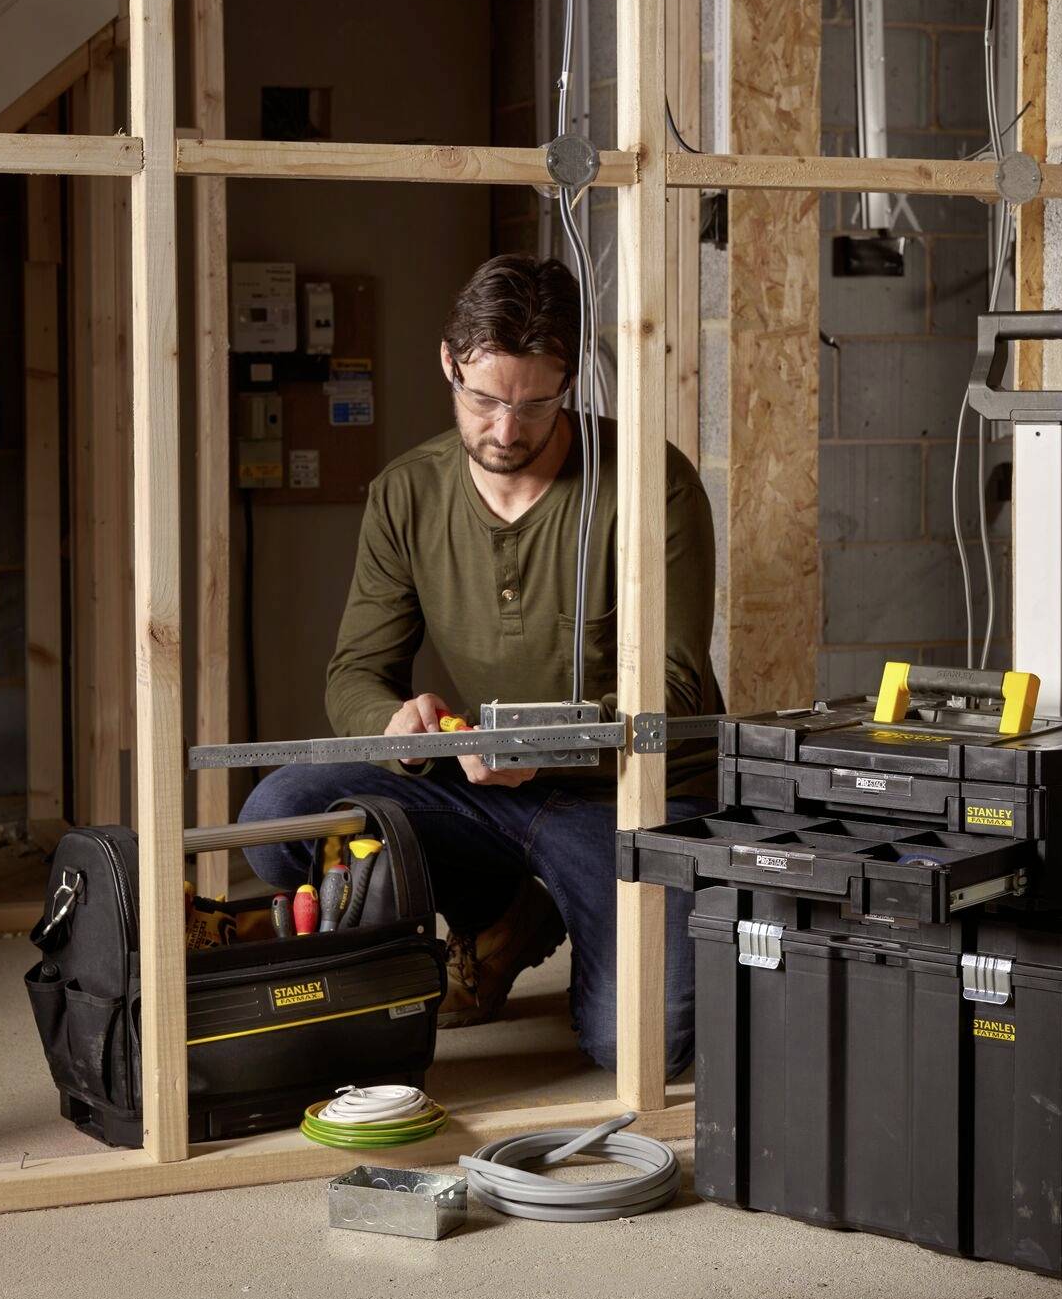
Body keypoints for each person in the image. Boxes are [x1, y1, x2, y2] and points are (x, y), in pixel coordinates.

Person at [236, 254, 723, 1077]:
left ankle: (558, 902)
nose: (506, 430)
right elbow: (354, 672)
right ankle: (504, 915)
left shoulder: (651, 483)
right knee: (279, 814)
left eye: (535, 403)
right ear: (448, 362)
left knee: (643, 1046)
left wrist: (540, 747)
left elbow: (672, 691)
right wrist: (394, 727)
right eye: (485, 398)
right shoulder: (407, 493)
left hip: (632, 795)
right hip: (482, 782)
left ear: (569, 378)